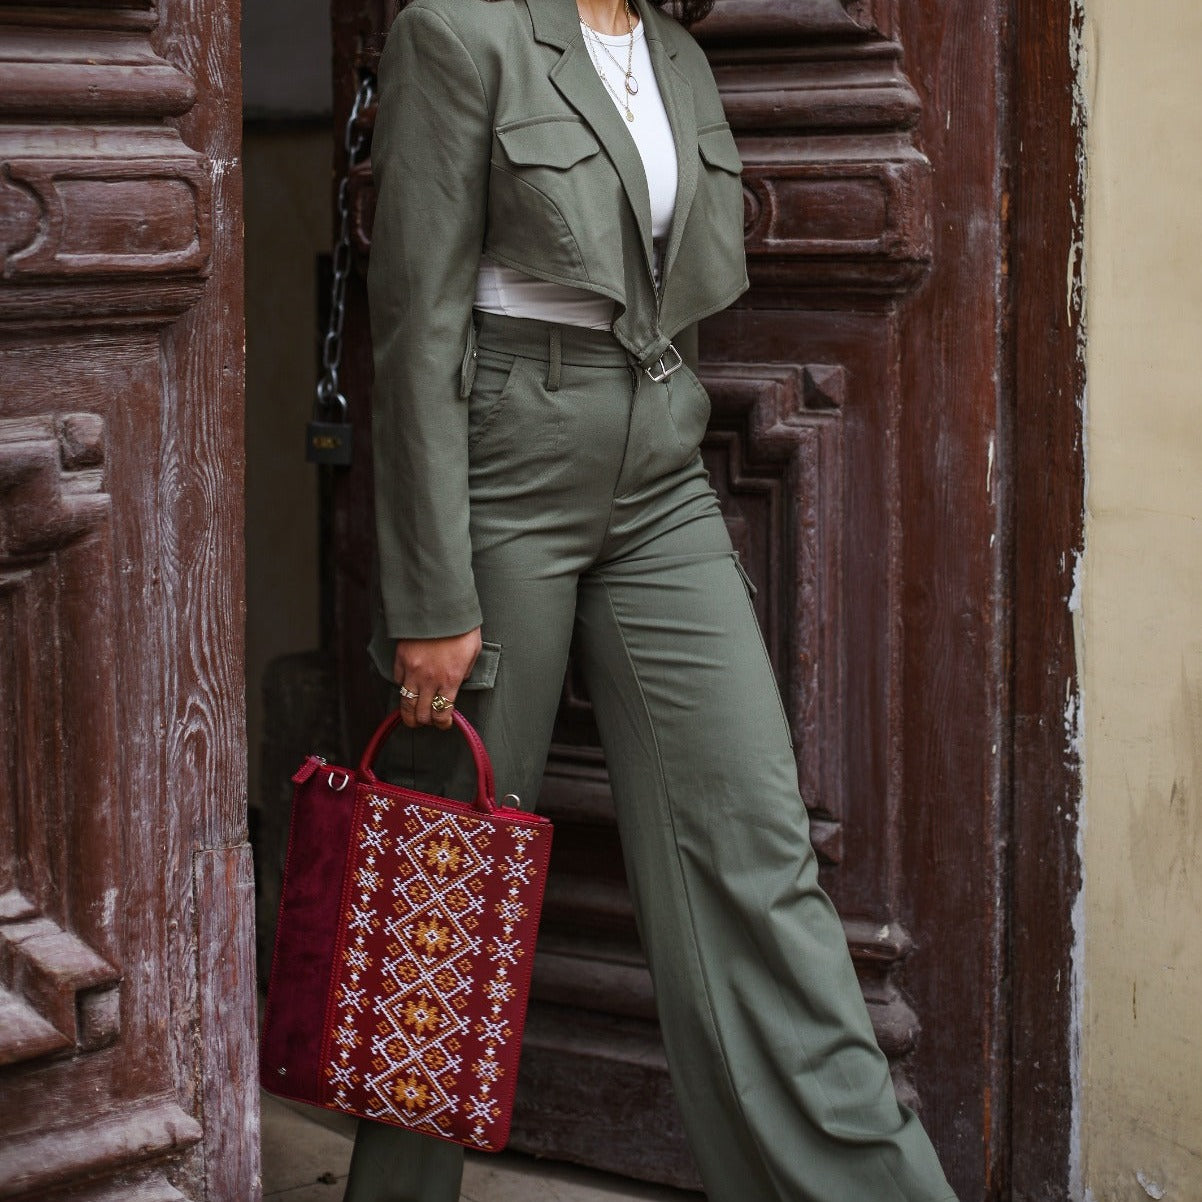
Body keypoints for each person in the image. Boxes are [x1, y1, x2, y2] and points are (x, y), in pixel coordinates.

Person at [348, 0, 961, 1199]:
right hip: (506, 459)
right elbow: (410, 324)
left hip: (659, 465)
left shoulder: (674, 53)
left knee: (753, 841)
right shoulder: (457, 31)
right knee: (446, 873)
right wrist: (427, 589)